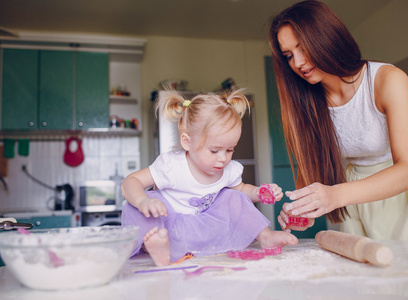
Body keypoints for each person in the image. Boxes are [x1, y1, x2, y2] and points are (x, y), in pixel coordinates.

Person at [268, 0, 408, 242]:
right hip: (357, 202)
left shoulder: (387, 80)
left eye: (303, 48)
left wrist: (335, 196)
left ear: (327, 38)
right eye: (289, 56)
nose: (298, 63)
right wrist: (302, 210)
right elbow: (309, 172)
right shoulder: (309, 102)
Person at [121, 89, 298, 266]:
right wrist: (143, 201)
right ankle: (159, 249)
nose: (223, 158)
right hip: (168, 226)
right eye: (214, 150)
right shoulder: (172, 166)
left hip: (204, 229)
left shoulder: (227, 169)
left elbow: (243, 189)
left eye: (230, 150)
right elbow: (130, 182)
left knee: (234, 196)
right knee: (137, 205)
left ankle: (265, 236)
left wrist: (259, 192)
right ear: (187, 142)